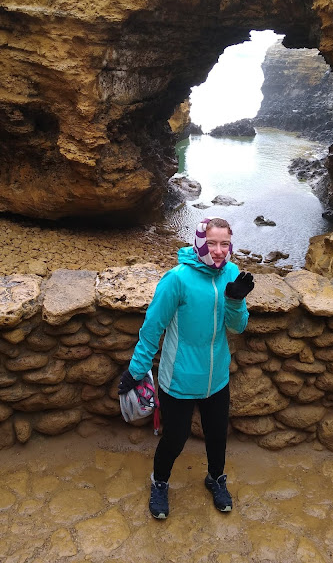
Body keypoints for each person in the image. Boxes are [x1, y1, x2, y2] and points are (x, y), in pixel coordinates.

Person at [118, 217, 254, 519]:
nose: (218, 250)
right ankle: (160, 482)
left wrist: (235, 300)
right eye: (212, 243)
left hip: (216, 378)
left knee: (217, 436)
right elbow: (152, 328)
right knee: (175, 438)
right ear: (200, 242)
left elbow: (238, 327)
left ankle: (216, 478)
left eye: (225, 244)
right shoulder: (176, 279)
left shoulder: (232, 274)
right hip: (178, 379)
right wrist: (136, 371)